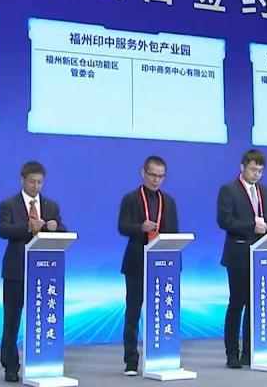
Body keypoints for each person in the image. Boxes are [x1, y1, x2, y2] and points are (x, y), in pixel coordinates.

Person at [0, 161, 67, 383]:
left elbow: (63, 230)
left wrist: (56, 228)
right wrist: (28, 227)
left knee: (43, 318)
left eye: (40, 182)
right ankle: (10, 366)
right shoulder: (9, 204)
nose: (36, 186)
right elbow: (3, 230)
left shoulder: (51, 206)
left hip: (44, 273)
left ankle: (41, 361)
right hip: (16, 270)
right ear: (22, 180)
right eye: (32, 182)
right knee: (12, 320)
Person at [118, 155, 180, 376]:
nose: (156, 180)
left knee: (163, 311)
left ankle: (161, 356)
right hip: (137, 262)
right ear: (143, 173)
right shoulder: (131, 198)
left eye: (161, 176)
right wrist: (140, 227)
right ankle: (131, 361)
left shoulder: (168, 201)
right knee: (133, 312)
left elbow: (174, 233)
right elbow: (122, 227)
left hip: (163, 265)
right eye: (153, 175)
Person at [217, 149, 267, 368]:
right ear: (242, 168)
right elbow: (224, 221)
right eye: (253, 169)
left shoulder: (265, 192)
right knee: (237, 303)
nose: (256, 174)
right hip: (238, 255)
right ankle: (232, 353)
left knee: (255, 305)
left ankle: (249, 352)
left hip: (260, 256)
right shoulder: (229, 190)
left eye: (260, 170)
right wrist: (252, 226)